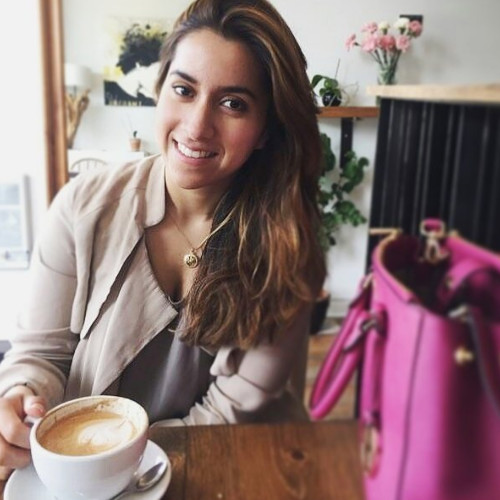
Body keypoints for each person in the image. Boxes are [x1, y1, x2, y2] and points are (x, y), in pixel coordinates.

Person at [0, 0, 325, 479]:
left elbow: (231, 413)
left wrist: (128, 469)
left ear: (265, 131)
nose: (197, 126)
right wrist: (20, 397)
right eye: (184, 89)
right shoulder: (83, 207)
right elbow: (41, 354)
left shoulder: (285, 244)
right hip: (83, 473)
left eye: (233, 103)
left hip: (222, 467)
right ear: (161, 89)